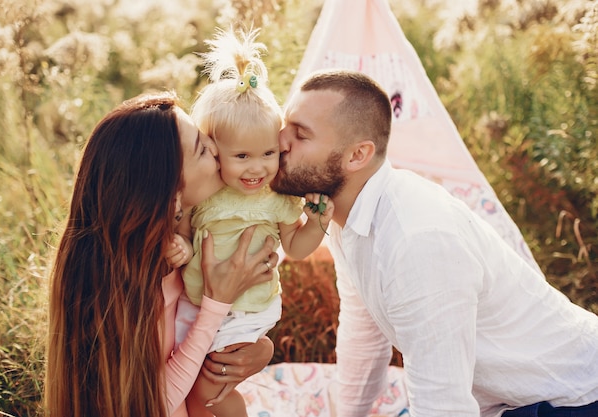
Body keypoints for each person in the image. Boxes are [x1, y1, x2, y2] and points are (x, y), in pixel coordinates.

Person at [270, 69, 598, 417]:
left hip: (572, 399)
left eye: (301, 135)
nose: (279, 142)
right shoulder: (346, 216)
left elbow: (444, 406)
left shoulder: (417, 240)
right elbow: (363, 335)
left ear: (356, 156)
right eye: (285, 126)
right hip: (519, 400)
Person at [44, 91, 279, 417]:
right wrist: (217, 302)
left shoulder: (172, 241)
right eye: (200, 147)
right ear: (168, 190)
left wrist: (259, 348)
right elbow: (153, 404)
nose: (214, 147)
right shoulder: (121, 282)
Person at [166, 28, 334, 417]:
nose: (257, 167)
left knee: (210, 388)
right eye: (241, 156)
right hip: (197, 304)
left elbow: (294, 247)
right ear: (214, 151)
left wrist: (317, 223)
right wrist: (181, 246)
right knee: (187, 383)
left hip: (247, 309)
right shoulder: (207, 192)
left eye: (268, 153)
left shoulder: (276, 198)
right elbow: (186, 233)